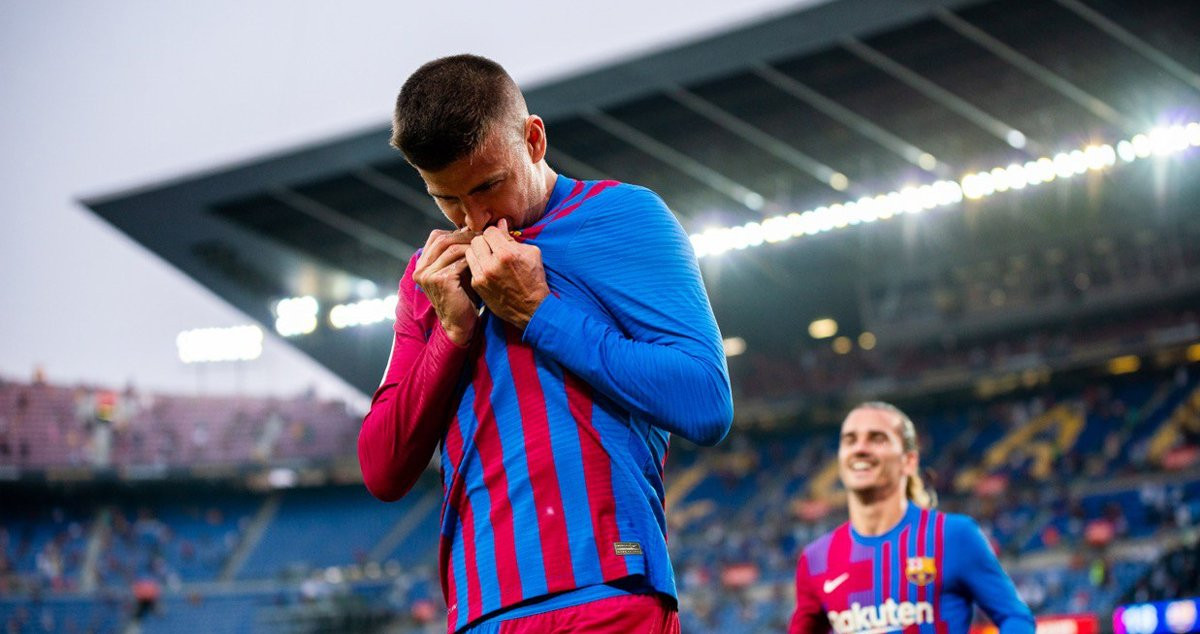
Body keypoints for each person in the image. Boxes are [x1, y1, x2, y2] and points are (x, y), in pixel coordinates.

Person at [357, 54, 733, 634]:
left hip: (609, 595)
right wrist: (452, 334)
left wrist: (539, 315)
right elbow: (382, 469)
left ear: (533, 140)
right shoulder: (427, 277)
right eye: (447, 199)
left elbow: (706, 400)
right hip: (483, 611)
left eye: (488, 185)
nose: (476, 217)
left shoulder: (624, 216)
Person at [789, 402, 1034, 634]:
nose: (860, 448)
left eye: (877, 438)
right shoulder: (816, 559)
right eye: (850, 440)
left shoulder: (952, 536)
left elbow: (1015, 617)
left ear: (908, 461)